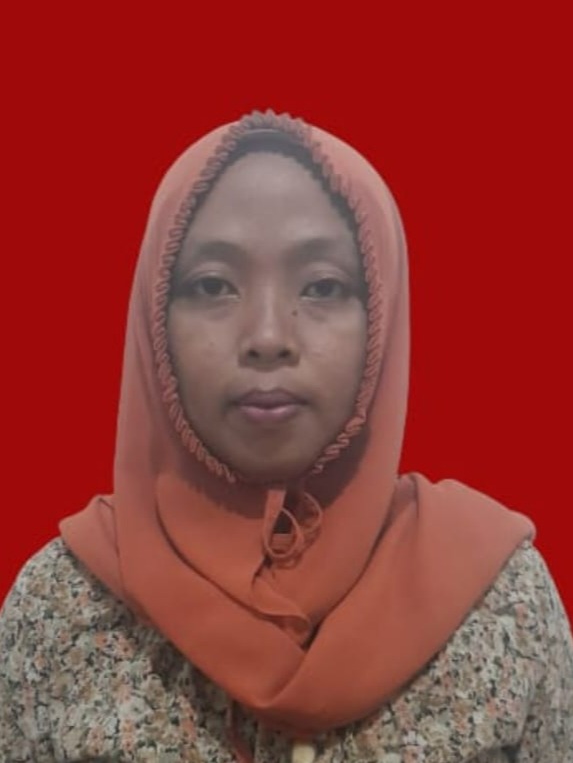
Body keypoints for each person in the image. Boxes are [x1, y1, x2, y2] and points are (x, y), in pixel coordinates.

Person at [1, 110, 572, 762]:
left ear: (381, 314)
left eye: (323, 286)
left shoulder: (499, 595)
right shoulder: (63, 601)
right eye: (213, 285)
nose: (268, 336)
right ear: (154, 318)